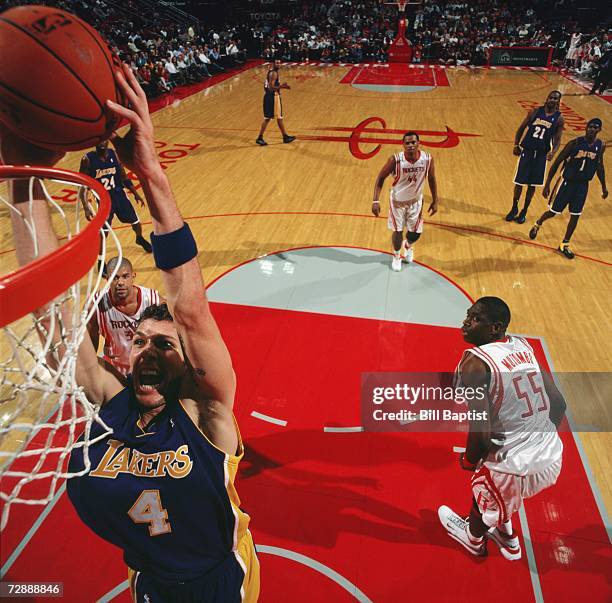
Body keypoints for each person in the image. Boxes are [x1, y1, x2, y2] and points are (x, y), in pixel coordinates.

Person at [2, 63, 259, 602]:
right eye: (141, 341)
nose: (147, 350)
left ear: (187, 362)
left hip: (218, 583)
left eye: (164, 344)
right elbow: (57, 318)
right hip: (148, 580)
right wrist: (26, 176)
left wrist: (153, 176)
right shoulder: (111, 402)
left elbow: (189, 310)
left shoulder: (205, 413)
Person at [439, 297, 566, 560]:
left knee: (483, 489)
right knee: (499, 498)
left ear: (494, 328)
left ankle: (473, 539)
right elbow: (559, 404)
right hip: (553, 456)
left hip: (514, 467)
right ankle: (507, 537)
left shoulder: (475, 363)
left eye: (475, 319)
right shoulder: (522, 345)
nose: (465, 322)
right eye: (468, 315)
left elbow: (481, 432)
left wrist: (469, 459)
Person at [529, 118, 607, 259]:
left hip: (582, 185)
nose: (592, 129)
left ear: (599, 130)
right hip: (566, 183)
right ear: (586, 128)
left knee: (575, 215)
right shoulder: (574, 143)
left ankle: (564, 244)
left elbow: (599, 166)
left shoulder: (600, 146)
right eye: (590, 126)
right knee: (553, 212)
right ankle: (538, 223)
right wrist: (547, 184)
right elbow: (557, 162)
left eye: (596, 127)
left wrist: (604, 186)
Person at [371, 131, 439, 272]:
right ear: (403, 145)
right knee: (398, 230)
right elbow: (380, 178)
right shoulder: (395, 160)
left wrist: (435, 200)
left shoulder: (427, 159)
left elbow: (432, 178)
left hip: (416, 201)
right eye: (407, 143)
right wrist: (375, 200)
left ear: (418, 143)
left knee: (416, 233)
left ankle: (407, 245)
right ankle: (396, 256)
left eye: (413, 142)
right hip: (397, 202)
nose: (410, 145)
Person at [88, 256, 163, 377]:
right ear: (107, 279)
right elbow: (91, 344)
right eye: (115, 278)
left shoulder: (152, 300)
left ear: (133, 276)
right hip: (118, 370)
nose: (120, 282)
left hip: (151, 365)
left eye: (125, 276)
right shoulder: (96, 306)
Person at [80, 140, 152, 253]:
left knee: (136, 222)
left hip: (120, 196)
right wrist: (85, 207)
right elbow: (82, 185)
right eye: (99, 141)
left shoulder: (115, 155)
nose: (102, 143)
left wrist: (135, 193)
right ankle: (101, 259)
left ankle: (140, 238)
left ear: (108, 141)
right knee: (104, 231)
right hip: (104, 200)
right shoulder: (87, 159)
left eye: (104, 140)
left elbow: (124, 177)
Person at [506, 91, 564, 224]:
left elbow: (558, 139)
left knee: (532, 185)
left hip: (541, 155)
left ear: (558, 101)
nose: (552, 100)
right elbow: (521, 128)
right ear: (547, 98)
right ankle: (514, 207)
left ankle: (524, 210)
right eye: (551, 97)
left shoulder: (559, 118)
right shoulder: (535, 112)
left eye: (555, 98)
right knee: (519, 182)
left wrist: (553, 152)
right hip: (527, 151)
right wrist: (516, 144)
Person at [256, 58, 296, 146]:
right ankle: (261, 137)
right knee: (274, 118)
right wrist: (282, 86)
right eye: (277, 63)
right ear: (273, 64)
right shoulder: (273, 73)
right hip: (273, 97)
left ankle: (284, 136)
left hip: (269, 96)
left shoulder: (272, 72)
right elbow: (271, 87)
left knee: (274, 118)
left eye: (279, 63)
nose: (278, 64)